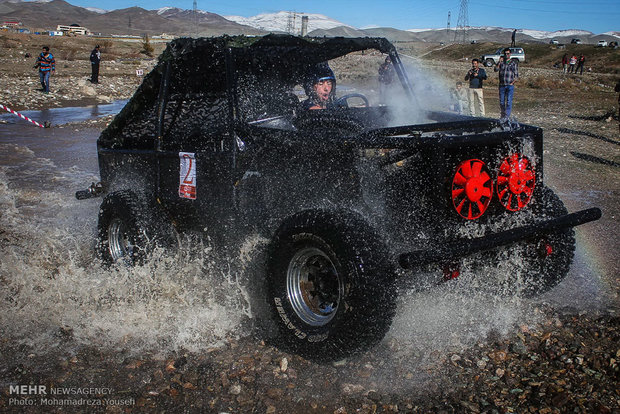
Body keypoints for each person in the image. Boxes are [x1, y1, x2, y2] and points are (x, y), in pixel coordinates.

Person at [494, 47, 518, 120]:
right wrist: (499, 62)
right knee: (501, 102)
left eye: (508, 53)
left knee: (508, 101)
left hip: (509, 85)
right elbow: (495, 69)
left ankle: (506, 116)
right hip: (502, 85)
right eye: (505, 54)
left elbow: (516, 75)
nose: (506, 55)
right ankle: (503, 114)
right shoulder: (501, 63)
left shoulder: (513, 63)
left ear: (510, 54)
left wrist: (512, 83)